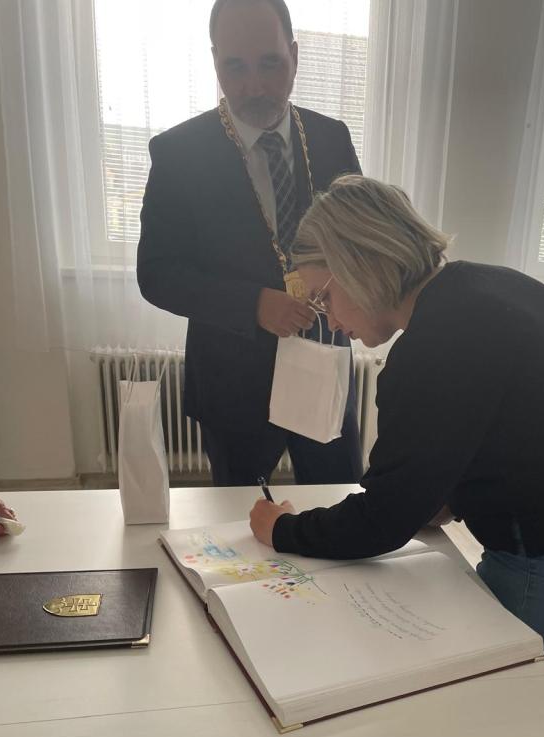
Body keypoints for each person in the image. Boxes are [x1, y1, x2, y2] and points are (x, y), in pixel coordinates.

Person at [249, 175, 544, 682]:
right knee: (523, 688)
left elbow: (382, 521)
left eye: (323, 298)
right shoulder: (498, 286)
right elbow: (515, 429)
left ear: (359, 263)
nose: (327, 320)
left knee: (504, 698)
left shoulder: (432, 349)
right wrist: (443, 497)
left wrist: (282, 529)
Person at [137, 0, 363, 486]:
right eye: (235, 67)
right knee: (239, 518)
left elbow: (359, 241)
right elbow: (156, 274)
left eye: (270, 63)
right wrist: (253, 304)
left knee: (339, 499)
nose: (255, 85)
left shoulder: (332, 138)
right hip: (232, 376)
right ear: (215, 61)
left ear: (295, 57)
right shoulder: (178, 154)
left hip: (324, 355)